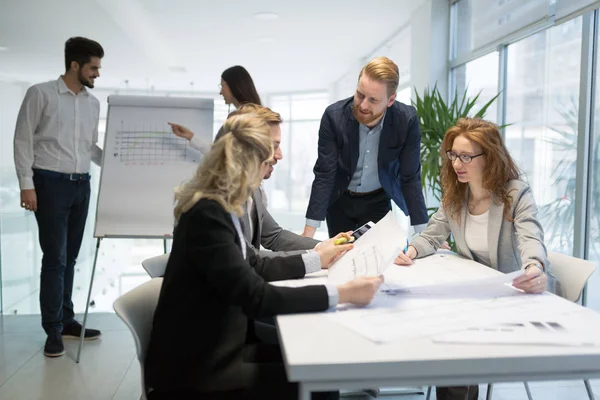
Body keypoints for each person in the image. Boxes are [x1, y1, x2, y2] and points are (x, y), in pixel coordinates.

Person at [145, 113, 384, 400]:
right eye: (267, 163)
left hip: (216, 347)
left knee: (317, 363)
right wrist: (343, 293)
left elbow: (254, 263)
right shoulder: (209, 215)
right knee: (320, 378)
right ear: (248, 166)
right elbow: (257, 297)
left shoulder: (222, 206)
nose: (268, 170)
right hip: (196, 371)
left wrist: (318, 256)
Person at [394, 117, 552, 400]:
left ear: (489, 157)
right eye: (454, 155)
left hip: (510, 295)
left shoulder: (515, 194)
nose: (457, 164)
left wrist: (534, 267)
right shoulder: (456, 193)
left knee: (453, 339)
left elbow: (531, 238)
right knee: (444, 329)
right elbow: (432, 235)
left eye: (466, 156)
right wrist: (411, 252)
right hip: (475, 292)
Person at [13, 37, 104, 358]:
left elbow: (89, 148)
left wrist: (118, 164)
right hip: (49, 183)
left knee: (71, 258)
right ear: (75, 65)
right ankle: (52, 329)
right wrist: (26, 184)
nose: (97, 74)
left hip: (82, 184)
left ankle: (66, 320)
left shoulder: (92, 103)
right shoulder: (40, 94)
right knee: (55, 258)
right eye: (93, 67)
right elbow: (22, 139)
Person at [303, 56, 428, 239]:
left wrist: (424, 235)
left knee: (376, 261)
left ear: (390, 100)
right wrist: (308, 233)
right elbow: (325, 174)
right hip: (339, 201)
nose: (362, 105)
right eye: (360, 95)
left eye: (373, 100)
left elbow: (410, 178)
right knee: (340, 260)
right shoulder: (334, 117)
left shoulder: (406, 120)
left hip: (378, 202)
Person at [171, 103, 320, 257]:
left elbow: (274, 236)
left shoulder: (252, 191)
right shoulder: (213, 205)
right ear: (248, 148)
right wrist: (316, 257)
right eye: (273, 146)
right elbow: (249, 260)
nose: (279, 155)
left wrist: (324, 247)